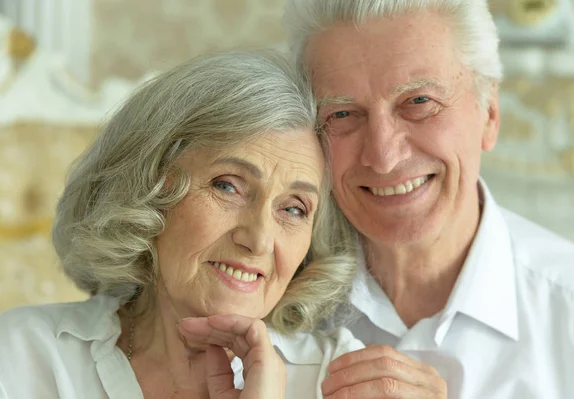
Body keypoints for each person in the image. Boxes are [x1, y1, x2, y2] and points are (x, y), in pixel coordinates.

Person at [0, 50, 364, 399]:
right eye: (228, 186)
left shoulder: (340, 378)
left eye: (294, 209)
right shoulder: (22, 355)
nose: (259, 239)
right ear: (149, 190)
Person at [283, 0, 574, 398]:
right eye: (343, 115)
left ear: (490, 114)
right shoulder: (263, 298)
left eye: (418, 102)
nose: (382, 158)